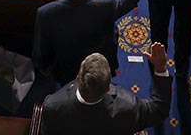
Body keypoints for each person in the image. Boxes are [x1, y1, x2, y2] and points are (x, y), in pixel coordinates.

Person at [39, 47, 171, 135]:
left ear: (78, 79)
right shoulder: (128, 108)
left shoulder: (52, 105)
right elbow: (159, 110)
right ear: (108, 87)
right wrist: (160, 69)